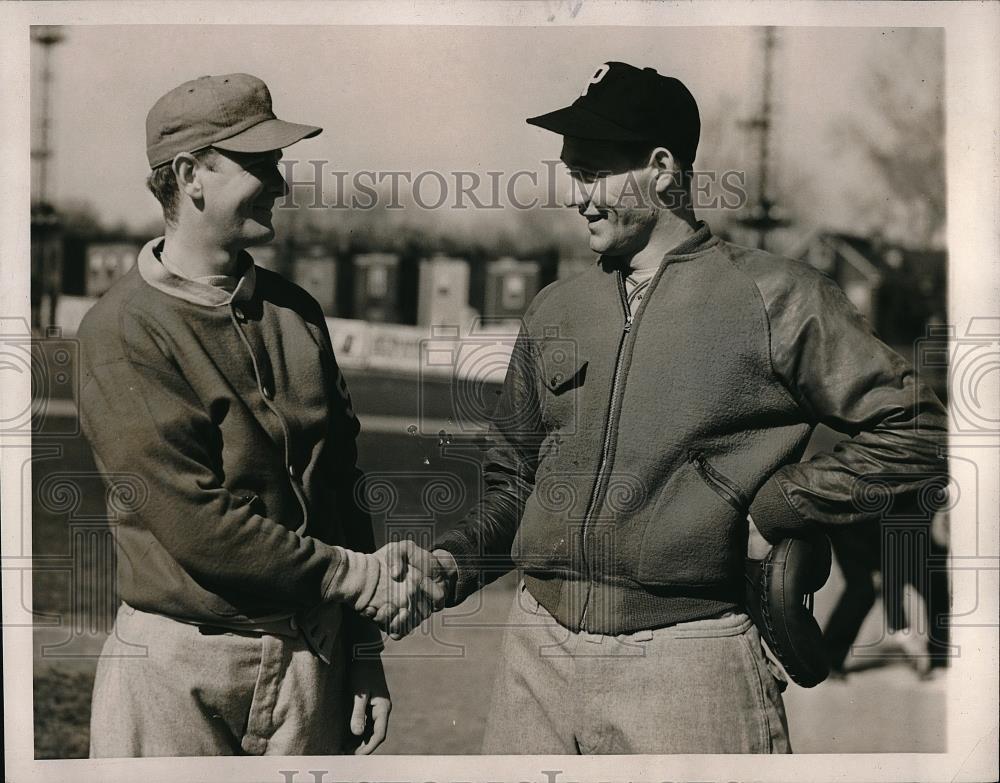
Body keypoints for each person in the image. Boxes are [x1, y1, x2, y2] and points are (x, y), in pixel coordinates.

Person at [386, 61, 949, 753]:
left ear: (660, 168)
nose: (578, 196)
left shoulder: (778, 297)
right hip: (534, 657)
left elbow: (921, 433)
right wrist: (449, 564)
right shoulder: (555, 308)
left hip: (693, 661)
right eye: (572, 171)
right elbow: (516, 484)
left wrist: (780, 505)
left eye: (592, 171)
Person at [78, 73, 427, 757]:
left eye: (279, 161)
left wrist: (362, 647)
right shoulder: (121, 329)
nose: (282, 181)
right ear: (189, 175)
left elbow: (340, 487)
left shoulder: (297, 311)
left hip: (311, 660)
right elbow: (197, 523)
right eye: (259, 163)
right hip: (179, 668)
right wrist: (358, 578)